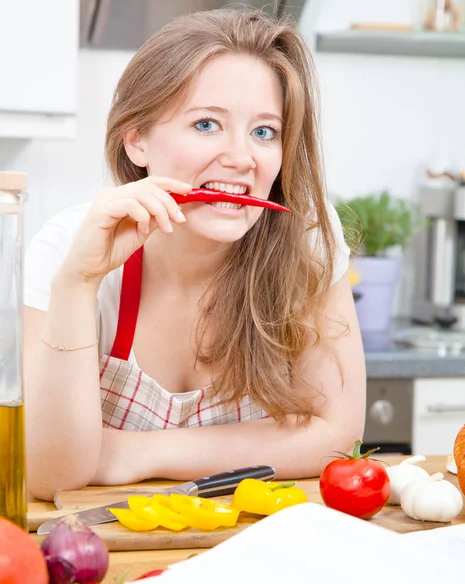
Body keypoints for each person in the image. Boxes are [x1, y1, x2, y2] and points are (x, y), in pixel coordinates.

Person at [24, 8, 366, 501]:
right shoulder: (66, 250)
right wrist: (78, 283)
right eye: (206, 124)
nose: (242, 157)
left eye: (264, 132)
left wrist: (134, 454)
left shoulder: (307, 237)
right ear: (137, 139)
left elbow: (337, 438)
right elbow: (48, 474)